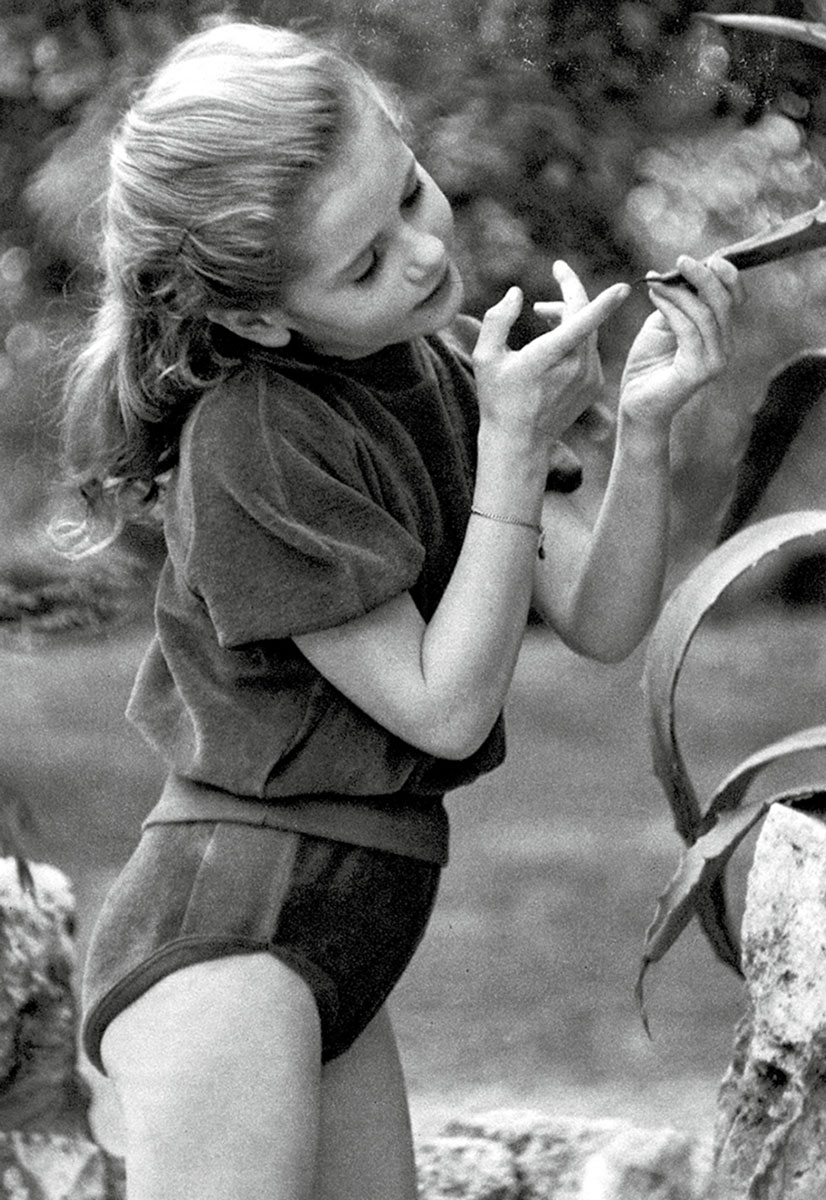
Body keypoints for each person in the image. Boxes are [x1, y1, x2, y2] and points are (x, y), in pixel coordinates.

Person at [56, 19, 741, 1200]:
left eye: (412, 197)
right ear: (261, 319)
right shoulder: (255, 439)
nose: (423, 254)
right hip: (229, 930)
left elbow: (598, 615)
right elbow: (441, 707)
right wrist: (513, 450)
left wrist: (643, 425)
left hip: (348, 920)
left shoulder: (441, 366)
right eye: (365, 263)